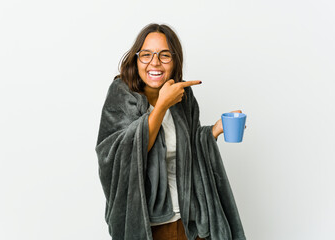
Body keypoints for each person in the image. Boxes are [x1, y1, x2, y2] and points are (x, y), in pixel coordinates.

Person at [95, 23, 246, 240]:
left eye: (164, 55)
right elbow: (120, 154)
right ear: (136, 59)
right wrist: (162, 105)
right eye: (146, 54)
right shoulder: (121, 94)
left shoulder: (183, 95)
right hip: (150, 225)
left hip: (190, 220)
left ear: (175, 60)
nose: (154, 62)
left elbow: (191, 147)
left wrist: (213, 131)